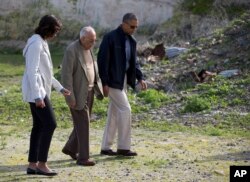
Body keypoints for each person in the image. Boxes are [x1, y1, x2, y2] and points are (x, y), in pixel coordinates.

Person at [22, 15, 71, 176]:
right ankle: (42, 164)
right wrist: (38, 96)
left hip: (39, 91)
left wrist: (60, 88)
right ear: (47, 28)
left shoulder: (41, 42)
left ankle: (32, 165)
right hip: (37, 92)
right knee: (50, 124)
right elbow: (32, 71)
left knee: (39, 126)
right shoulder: (36, 43)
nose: (56, 34)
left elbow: (46, 72)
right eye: (55, 31)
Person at [97, 13, 147, 156]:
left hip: (123, 80)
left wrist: (140, 77)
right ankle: (124, 147)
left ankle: (105, 148)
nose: (134, 29)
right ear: (123, 23)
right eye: (132, 26)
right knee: (125, 110)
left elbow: (134, 62)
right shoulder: (110, 37)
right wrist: (104, 82)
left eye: (136, 27)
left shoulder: (132, 40)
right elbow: (102, 61)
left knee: (113, 113)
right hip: (112, 81)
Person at [61, 26, 103, 166]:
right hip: (77, 94)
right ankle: (83, 158)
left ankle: (70, 148)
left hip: (90, 91)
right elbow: (66, 76)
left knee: (82, 123)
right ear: (82, 38)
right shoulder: (71, 50)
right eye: (91, 41)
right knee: (84, 124)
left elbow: (92, 68)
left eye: (94, 41)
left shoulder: (89, 47)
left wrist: (99, 87)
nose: (93, 44)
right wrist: (69, 97)